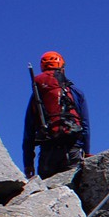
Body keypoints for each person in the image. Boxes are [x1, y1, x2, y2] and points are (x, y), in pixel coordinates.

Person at [23, 51, 90, 179]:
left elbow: (28, 133)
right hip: (72, 149)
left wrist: (28, 164)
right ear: (62, 69)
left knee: (49, 193)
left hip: (48, 153)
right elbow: (85, 126)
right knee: (75, 192)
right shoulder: (75, 92)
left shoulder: (37, 97)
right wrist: (86, 153)